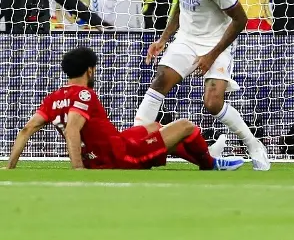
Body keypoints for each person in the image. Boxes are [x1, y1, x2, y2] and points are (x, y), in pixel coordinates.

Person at [132, 0, 271, 171]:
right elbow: (181, 5)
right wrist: (163, 39)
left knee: (213, 102)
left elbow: (241, 20)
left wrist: (212, 54)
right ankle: (133, 145)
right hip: (186, 39)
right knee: (161, 79)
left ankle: (253, 144)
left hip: (214, 42)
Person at [6, 47, 244, 171]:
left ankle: (203, 154)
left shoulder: (53, 97)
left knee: (153, 126)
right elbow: (72, 129)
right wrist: (77, 168)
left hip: (108, 148)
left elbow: (27, 129)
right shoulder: (85, 94)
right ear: (90, 70)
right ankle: (210, 163)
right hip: (119, 156)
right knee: (185, 126)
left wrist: (10, 165)